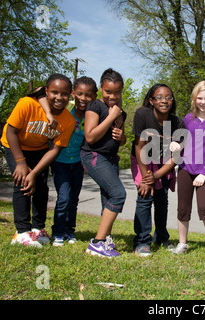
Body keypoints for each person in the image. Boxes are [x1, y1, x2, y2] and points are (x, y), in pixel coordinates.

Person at [1, 74, 76, 248]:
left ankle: (38, 228)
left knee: (40, 186)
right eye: (54, 92)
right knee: (22, 182)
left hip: (39, 150)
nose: (59, 97)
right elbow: (10, 131)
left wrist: (34, 172)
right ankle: (21, 232)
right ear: (46, 91)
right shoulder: (27, 104)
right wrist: (20, 163)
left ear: (70, 94)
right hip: (15, 145)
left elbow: (55, 149)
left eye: (64, 94)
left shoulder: (68, 120)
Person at [170, 80, 205, 262]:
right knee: (183, 208)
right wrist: (176, 144)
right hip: (186, 169)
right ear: (194, 98)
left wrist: (204, 173)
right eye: (199, 98)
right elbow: (182, 141)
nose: (203, 102)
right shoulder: (188, 119)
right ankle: (182, 243)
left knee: (204, 208)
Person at [131, 84, 185, 257]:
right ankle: (141, 241)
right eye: (159, 97)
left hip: (163, 165)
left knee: (162, 201)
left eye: (168, 97)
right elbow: (139, 147)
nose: (164, 101)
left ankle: (161, 237)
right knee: (145, 197)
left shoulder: (177, 122)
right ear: (151, 101)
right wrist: (147, 178)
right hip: (143, 161)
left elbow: (176, 156)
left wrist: (157, 176)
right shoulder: (143, 115)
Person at [81, 68, 127, 258]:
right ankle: (97, 243)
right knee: (118, 194)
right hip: (93, 155)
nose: (112, 96)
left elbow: (122, 141)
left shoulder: (120, 112)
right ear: (101, 89)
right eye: (108, 92)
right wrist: (110, 117)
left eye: (117, 92)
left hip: (110, 158)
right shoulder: (94, 107)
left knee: (108, 199)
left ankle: (106, 237)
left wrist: (121, 135)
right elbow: (90, 137)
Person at [49, 77, 97, 246]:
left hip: (77, 162)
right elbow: (42, 96)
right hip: (59, 161)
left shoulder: (92, 115)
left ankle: (69, 230)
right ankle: (58, 232)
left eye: (88, 95)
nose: (83, 98)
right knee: (63, 197)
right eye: (79, 94)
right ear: (73, 94)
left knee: (74, 198)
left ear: (94, 96)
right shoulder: (65, 108)